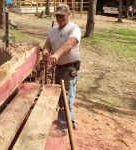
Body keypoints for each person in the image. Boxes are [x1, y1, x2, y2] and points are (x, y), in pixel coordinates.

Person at [42, 3, 81, 133]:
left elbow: (70, 44)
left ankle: (64, 127)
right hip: (58, 68)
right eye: (57, 16)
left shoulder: (74, 29)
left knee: (66, 98)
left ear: (68, 15)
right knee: (61, 97)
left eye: (62, 16)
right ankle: (71, 121)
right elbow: (47, 44)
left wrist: (57, 54)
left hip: (69, 68)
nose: (59, 18)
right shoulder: (53, 30)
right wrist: (46, 51)